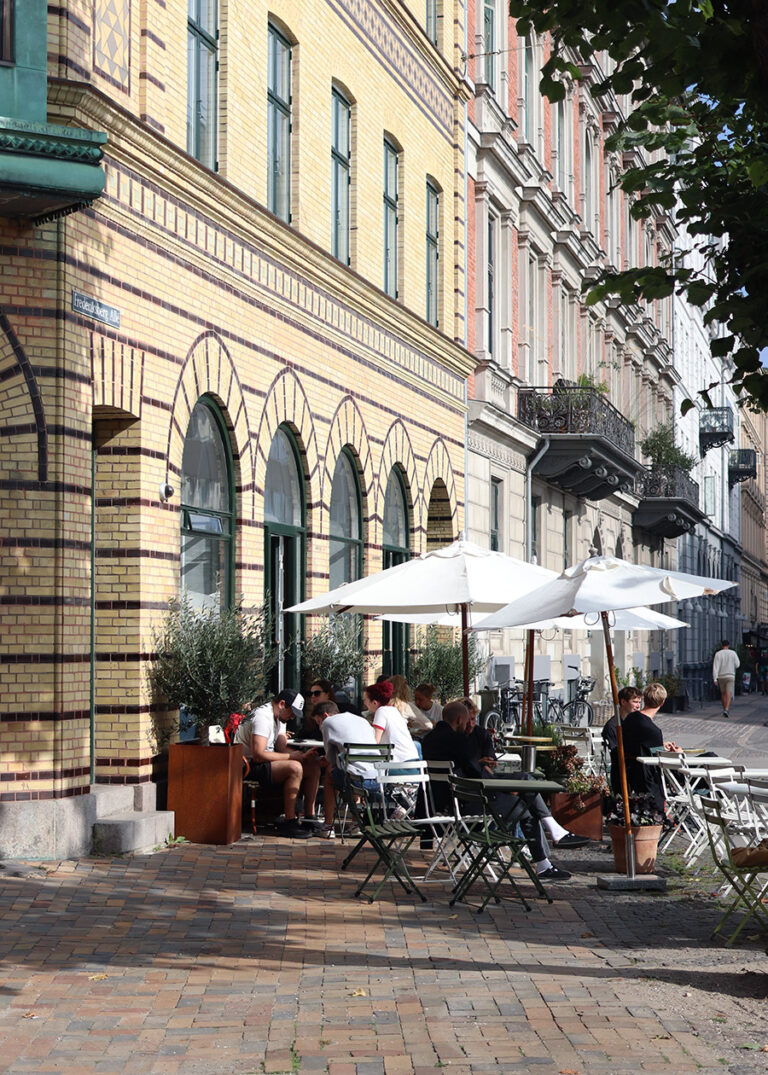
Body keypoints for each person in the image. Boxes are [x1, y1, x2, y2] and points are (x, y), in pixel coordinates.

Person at [421, 700, 587, 882]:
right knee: (525, 807)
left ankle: (552, 836)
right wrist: (496, 781)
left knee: (523, 782)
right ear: (460, 719)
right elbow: (476, 774)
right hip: (468, 806)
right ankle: (545, 859)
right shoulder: (458, 740)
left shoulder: (428, 740)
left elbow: (467, 770)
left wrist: (482, 769)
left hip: (446, 803)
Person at [234, 689, 321, 838]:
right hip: (247, 764)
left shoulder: (280, 718)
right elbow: (258, 755)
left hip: (261, 761)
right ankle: (289, 821)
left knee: (312, 767)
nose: (293, 717)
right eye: (292, 712)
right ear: (281, 704)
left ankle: (309, 817)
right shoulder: (262, 717)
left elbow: (281, 746)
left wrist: (301, 755)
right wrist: (292, 757)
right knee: (295, 768)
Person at [315, 701, 380, 838]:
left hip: (355, 779)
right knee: (351, 769)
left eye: (318, 722)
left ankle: (328, 825)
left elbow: (330, 759)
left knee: (330, 773)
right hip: (377, 779)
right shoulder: (362, 721)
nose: (319, 726)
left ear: (325, 716)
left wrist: (323, 760)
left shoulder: (328, 722)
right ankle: (356, 824)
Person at [621, 682, 681, 812]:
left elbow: (641, 745)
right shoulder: (653, 731)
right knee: (709, 759)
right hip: (650, 777)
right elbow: (659, 761)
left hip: (631, 771)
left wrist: (660, 745)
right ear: (662, 702)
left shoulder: (630, 718)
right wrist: (679, 754)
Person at [601, 686, 643, 795]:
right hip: (624, 771)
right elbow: (616, 752)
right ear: (623, 702)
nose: (638, 706)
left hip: (637, 766)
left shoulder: (636, 722)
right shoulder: (613, 726)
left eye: (639, 702)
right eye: (635, 702)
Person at [365, 681, 419, 764]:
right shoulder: (394, 710)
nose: (364, 703)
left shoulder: (381, 711)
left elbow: (375, 741)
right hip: (413, 762)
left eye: (365, 700)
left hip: (397, 763)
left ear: (374, 702)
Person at [712, 640, 740, 718]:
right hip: (730, 675)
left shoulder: (718, 654)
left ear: (722, 645)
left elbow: (715, 666)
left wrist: (715, 678)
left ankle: (725, 708)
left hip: (721, 676)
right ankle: (726, 709)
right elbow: (737, 664)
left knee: (723, 693)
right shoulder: (733, 653)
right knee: (729, 693)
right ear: (729, 645)